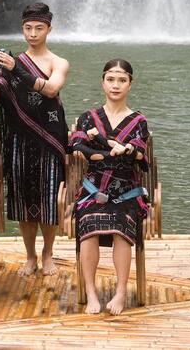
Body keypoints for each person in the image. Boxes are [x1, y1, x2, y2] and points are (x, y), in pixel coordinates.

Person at [0, 2, 69, 276]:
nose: (33, 33)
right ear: (22, 29)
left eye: (39, 28)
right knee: (22, 199)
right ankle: (30, 255)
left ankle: (48, 253)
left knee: (48, 197)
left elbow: (51, 89)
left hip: (49, 138)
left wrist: (16, 69)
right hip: (19, 138)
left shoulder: (58, 62)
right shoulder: (12, 61)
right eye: (28, 28)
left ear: (49, 29)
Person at [69, 59, 149, 315]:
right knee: (90, 224)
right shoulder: (88, 118)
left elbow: (138, 152)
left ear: (130, 84)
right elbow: (77, 146)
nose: (116, 85)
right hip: (93, 190)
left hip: (126, 190)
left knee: (121, 226)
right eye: (111, 79)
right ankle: (91, 292)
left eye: (122, 80)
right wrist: (110, 153)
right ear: (103, 82)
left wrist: (126, 150)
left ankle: (121, 291)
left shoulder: (138, 121)